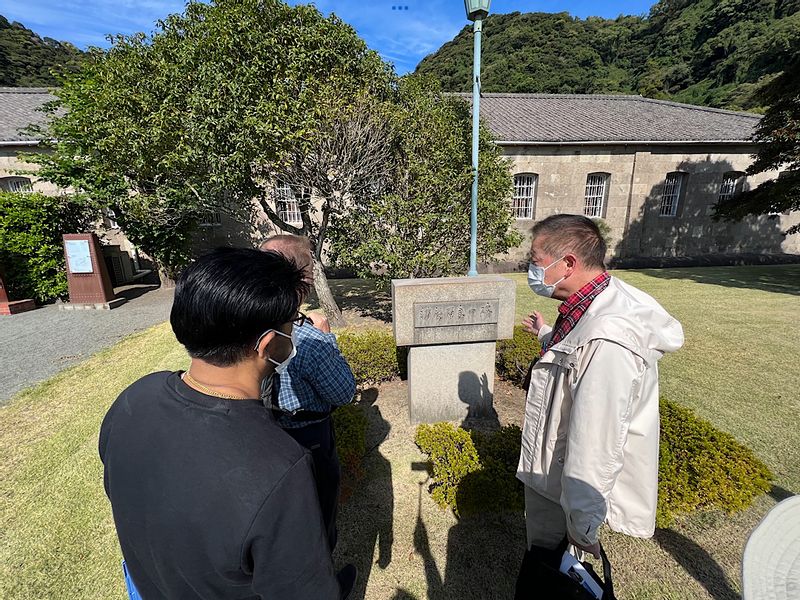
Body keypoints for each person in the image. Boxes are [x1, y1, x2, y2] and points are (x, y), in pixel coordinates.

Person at [99, 247, 355, 600]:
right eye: (293, 324)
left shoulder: (133, 399)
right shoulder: (280, 466)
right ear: (268, 345)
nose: (296, 331)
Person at [514, 215, 684, 596]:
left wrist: (583, 525)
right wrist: (545, 334)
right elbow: (571, 355)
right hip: (551, 475)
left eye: (536, 259)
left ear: (568, 263)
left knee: (551, 575)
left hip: (561, 488)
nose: (531, 268)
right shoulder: (590, 304)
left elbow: (596, 440)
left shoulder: (609, 339)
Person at [259, 235, 356, 551]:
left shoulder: (241, 321)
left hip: (257, 432)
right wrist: (327, 338)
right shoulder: (310, 341)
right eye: (311, 274)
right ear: (302, 282)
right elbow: (343, 393)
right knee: (319, 512)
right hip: (308, 438)